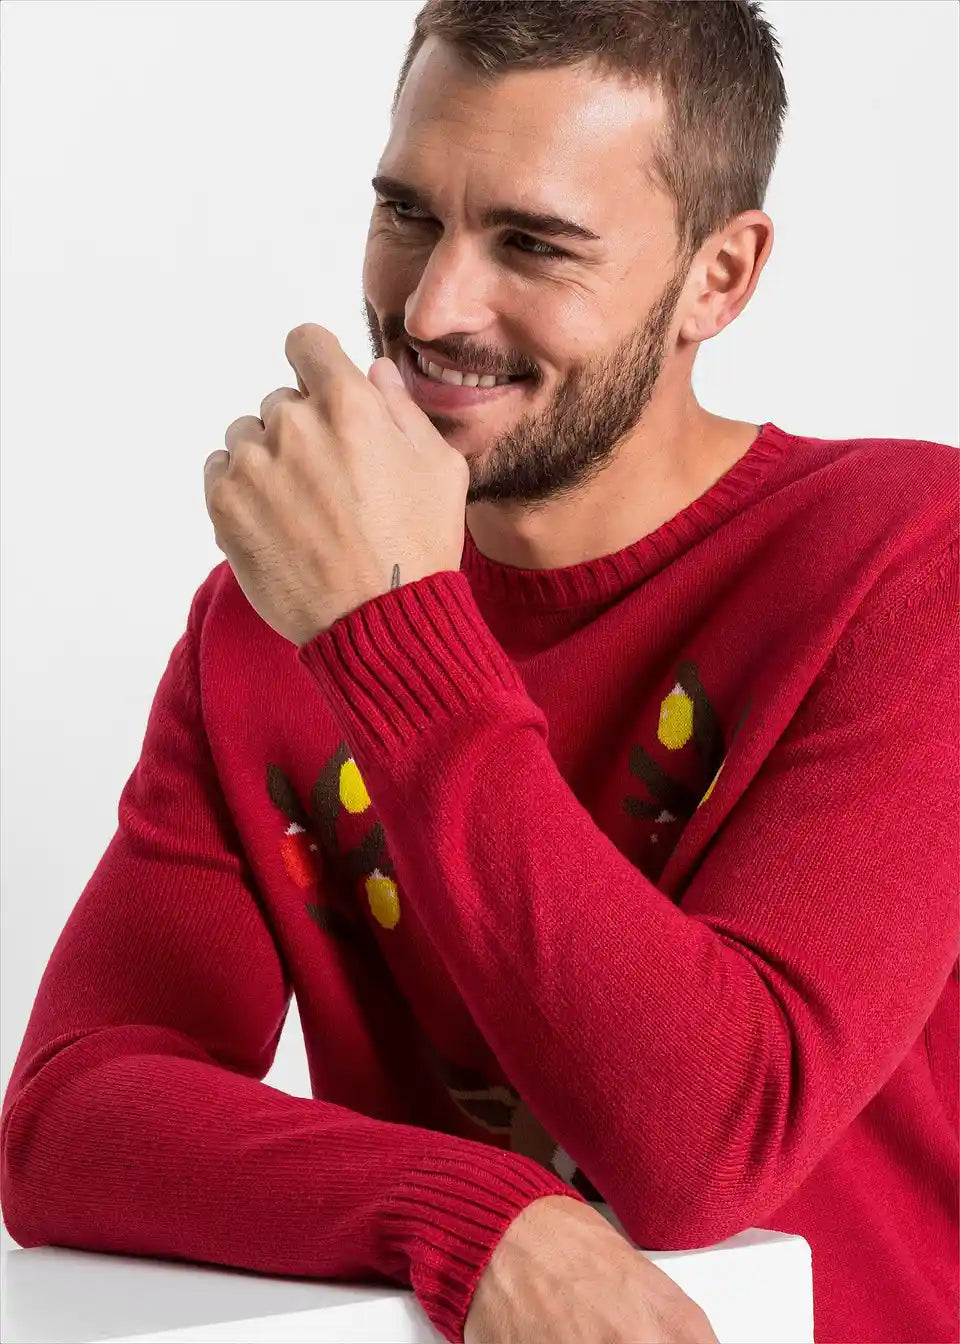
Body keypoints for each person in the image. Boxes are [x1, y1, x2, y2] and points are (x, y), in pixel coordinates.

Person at [2, 2, 957, 1342]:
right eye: (407, 215)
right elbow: (68, 1119)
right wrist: (477, 1218)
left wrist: (382, 629)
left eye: (534, 244)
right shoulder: (272, 613)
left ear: (719, 277)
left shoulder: (909, 558)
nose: (431, 310)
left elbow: (710, 1145)